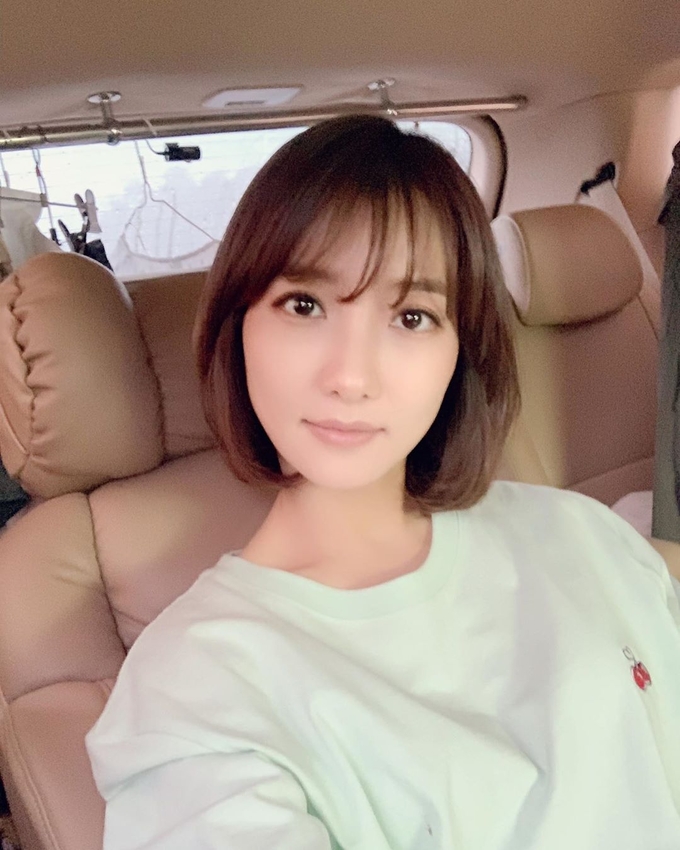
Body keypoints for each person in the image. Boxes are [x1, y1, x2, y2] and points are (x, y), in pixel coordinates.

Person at [86, 115, 680, 849]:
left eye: (412, 316)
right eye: (305, 305)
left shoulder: (577, 530)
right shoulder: (192, 691)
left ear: (461, 350)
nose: (351, 376)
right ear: (238, 327)